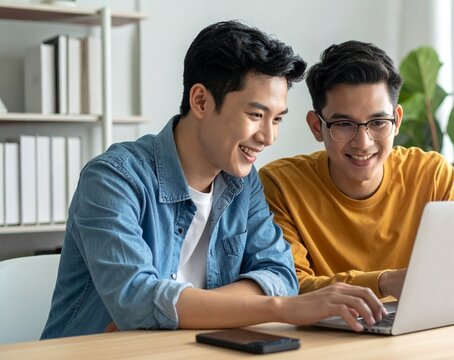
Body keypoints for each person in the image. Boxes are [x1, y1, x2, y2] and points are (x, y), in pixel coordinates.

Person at [41, 22, 386, 339]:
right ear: (201, 101)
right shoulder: (113, 178)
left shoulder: (241, 182)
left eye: (277, 119)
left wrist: (183, 309)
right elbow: (136, 299)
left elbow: (280, 275)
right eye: (255, 115)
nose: (268, 137)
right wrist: (279, 309)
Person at [259, 41, 454, 300]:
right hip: (329, 335)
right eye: (344, 124)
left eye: (379, 122)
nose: (363, 142)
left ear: (397, 121)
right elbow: (289, 285)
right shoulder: (281, 184)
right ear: (316, 126)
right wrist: (384, 282)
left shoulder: (432, 174)